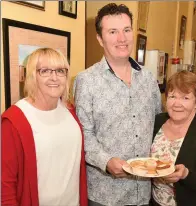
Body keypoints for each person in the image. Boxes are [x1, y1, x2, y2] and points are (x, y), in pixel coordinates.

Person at [74, 3, 161, 206]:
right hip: (106, 195)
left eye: (126, 30)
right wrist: (106, 161)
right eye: (113, 32)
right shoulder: (86, 81)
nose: (122, 38)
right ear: (100, 39)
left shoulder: (148, 79)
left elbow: (159, 125)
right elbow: (84, 134)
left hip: (144, 191)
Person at [1, 48, 88, 206]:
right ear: (33, 76)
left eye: (60, 71)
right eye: (45, 71)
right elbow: (5, 186)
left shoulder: (70, 112)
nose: (54, 77)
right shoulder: (13, 121)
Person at [149, 70, 196, 206]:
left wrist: (186, 175)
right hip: (155, 202)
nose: (177, 104)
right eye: (172, 96)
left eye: (185, 98)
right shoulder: (157, 122)